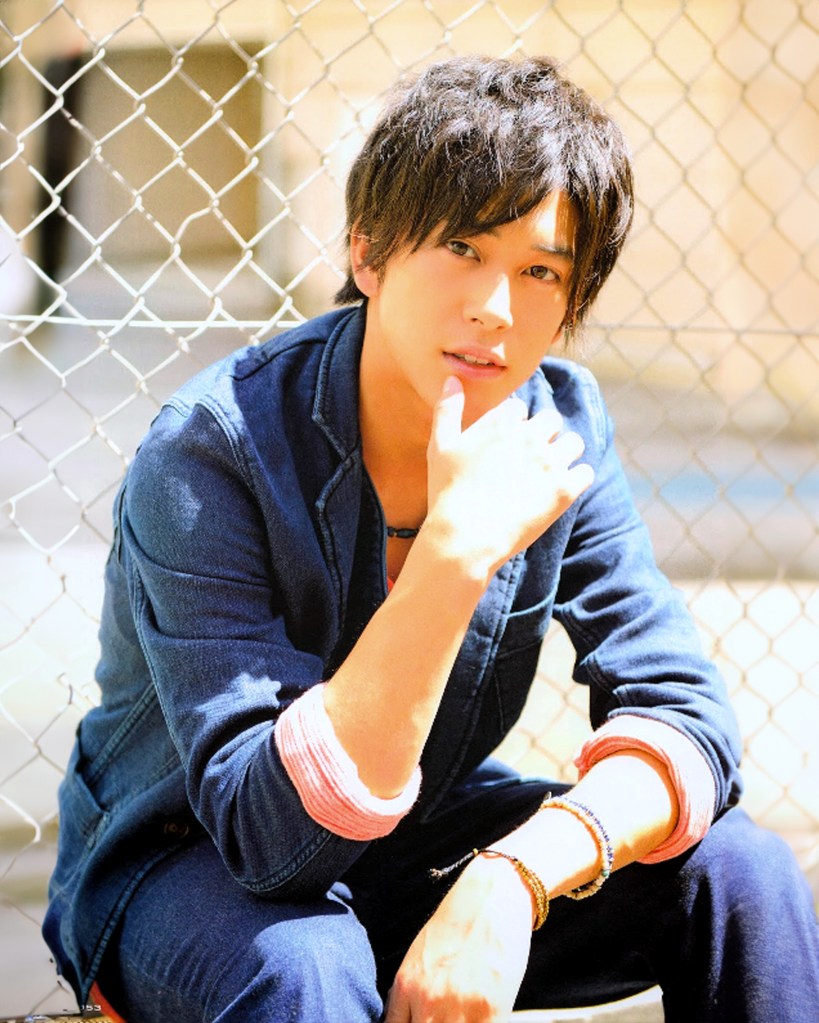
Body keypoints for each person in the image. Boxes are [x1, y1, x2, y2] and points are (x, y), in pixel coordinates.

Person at [44, 55, 818, 1023]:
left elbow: (685, 714)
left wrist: (513, 876)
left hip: (410, 839)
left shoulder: (556, 429)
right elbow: (269, 839)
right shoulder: (213, 453)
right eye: (461, 246)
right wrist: (450, 561)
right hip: (184, 857)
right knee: (307, 966)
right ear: (367, 253)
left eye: (540, 271)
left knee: (739, 868)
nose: (495, 306)